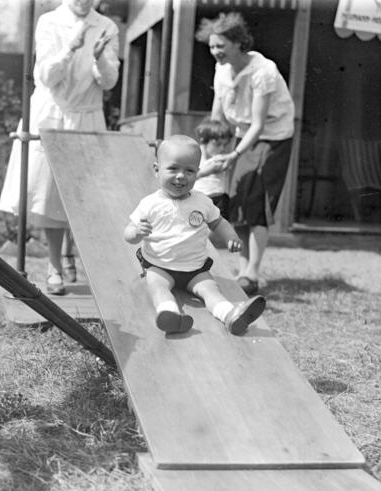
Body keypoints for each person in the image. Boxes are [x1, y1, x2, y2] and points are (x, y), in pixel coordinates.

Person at [0, 0, 119, 295]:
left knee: (83, 195)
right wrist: (71, 48)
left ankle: (71, 254)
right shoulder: (49, 22)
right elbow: (46, 77)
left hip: (87, 113)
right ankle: (54, 266)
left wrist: (99, 59)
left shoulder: (107, 26)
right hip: (52, 110)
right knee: (49, 194)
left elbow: (109, 81)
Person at [123, 135, 265, 336]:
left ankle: (230, 316)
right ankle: (168, 313)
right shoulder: (150, 203)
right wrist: (136, 232)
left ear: (197, 173)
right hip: (159, 265)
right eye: (173, 169)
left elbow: (218, 222)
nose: (181, 176)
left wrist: (230, 237)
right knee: (157, 287)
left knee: (211, 290)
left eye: (189, 171)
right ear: (157, 170)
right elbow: (128, 233)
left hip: (194, 268)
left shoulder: (203, 201)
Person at [195, 12, 295, 296]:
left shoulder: (264, 71)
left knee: (257, 201)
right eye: (212, 46)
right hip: (242, 135)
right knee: (238, 200)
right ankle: (242, 269)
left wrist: (235, 153)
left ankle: (252, 272)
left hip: (272, 137)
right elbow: (218, 113)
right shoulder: (222, 69)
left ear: (239, 42)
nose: (215, 51)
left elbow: (259, 123)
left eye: (220, 46)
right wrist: (210, 146)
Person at [194, 116, 234, 220]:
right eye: (218, 144)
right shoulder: (194, 156)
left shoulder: (220, 158)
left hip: (219, 198)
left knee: (219, 230)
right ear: (204, 140)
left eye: (224, 145)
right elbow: (189, 176)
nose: (222, 148)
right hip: (199, 199)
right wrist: (207, 171)